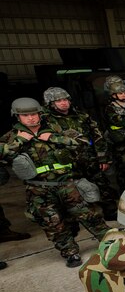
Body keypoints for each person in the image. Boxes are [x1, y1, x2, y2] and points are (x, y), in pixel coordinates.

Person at [0, 98, 109, 268]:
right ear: (17, 117)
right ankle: (70, 253)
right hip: (38, 189)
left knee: (90, 215)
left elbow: (84, 142)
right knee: (54, 224)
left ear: (40, 114)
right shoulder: (11, 137)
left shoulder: (56, 129)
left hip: (68, 184)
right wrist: (20, 141)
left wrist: (54, 138)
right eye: (25, 115)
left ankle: (109, 243)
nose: (30, 118)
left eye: (33, 114)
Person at [43, 86, 117, 220]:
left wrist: (102, 158)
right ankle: (84, 217)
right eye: (59, 101)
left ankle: (111, 212)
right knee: (73, 193)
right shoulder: (46, 121)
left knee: (103, 187)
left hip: (90, 160)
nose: (63, 103)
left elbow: (98, 136)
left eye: (65, 99)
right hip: (67, 165)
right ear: (51, 104)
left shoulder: (81, 116)